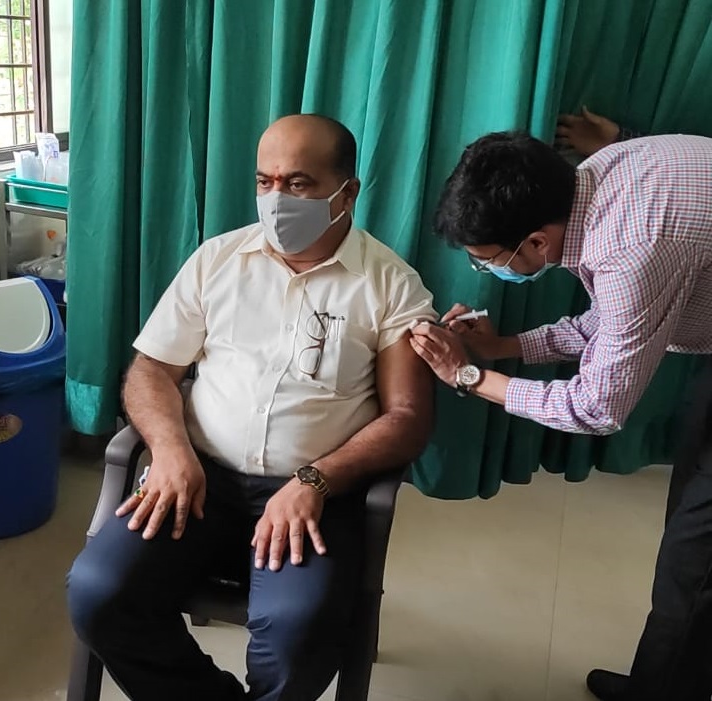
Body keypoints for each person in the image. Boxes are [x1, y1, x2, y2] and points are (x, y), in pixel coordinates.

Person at [66, 114, 436, 701]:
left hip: (311, 492)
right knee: (98, 593)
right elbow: (150, 371)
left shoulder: (390, 285)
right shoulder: (218, 261)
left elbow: (407, 418)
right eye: (265, 182)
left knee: (298, 636)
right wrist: (168, 449)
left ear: (348, 192)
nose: (276, 200)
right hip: (195, 478)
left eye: (298, 184)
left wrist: (315, 480)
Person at [410, 131, 712, 701]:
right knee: (691, 531)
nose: (485, 272)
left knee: (695, 556)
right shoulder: (599, 177)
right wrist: (502, 348)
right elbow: (613, 325)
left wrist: (468, 378)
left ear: (535, 243)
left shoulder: (633, 247)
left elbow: (597, 408)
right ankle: (673, 679)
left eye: (487, 262)